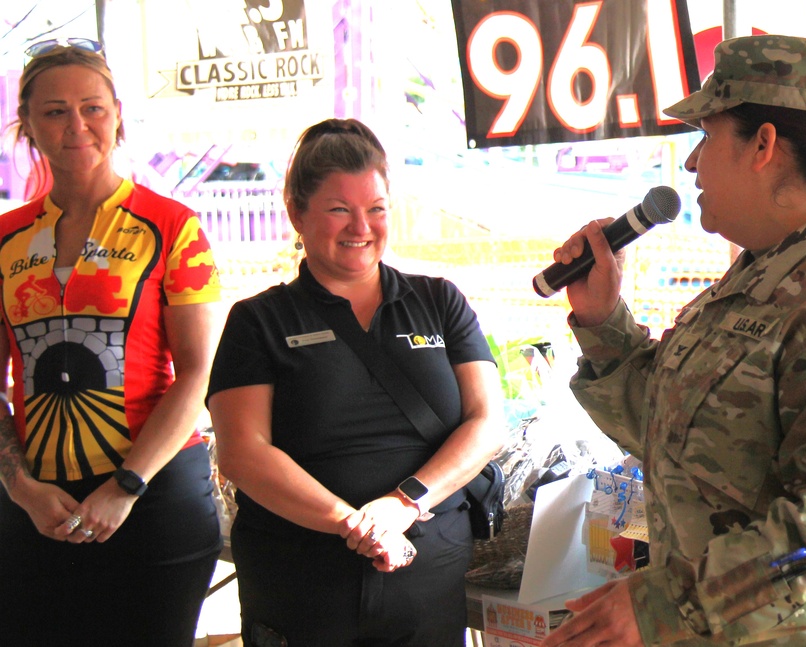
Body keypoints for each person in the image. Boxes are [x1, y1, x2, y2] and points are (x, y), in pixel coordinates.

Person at [542, 35, 806, 647]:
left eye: (707, 137)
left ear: (763, 145)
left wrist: (663, 605)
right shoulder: (767, 276)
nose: (690, 164)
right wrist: (603, 319)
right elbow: (680, 438)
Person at [206, 117, 504, 646]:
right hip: (301, 579)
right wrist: (355, 524)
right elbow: (243, 452)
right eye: (339, 209)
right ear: (297, 212)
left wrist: (403, 503)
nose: (360, 226)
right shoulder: (260, 321)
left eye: (376, 209)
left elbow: (486, 424)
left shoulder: (439, 301)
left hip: (425, 574)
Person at [0, 40, 223, 646]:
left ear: (117, 114)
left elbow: (198, 375)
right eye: (54, 111)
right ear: (28, 125)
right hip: (33, 503)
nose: (77, 126)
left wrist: (125, 486)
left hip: (152, 500)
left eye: (92, 107)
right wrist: (22, 488)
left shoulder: (172, 225)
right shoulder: (6, 239)